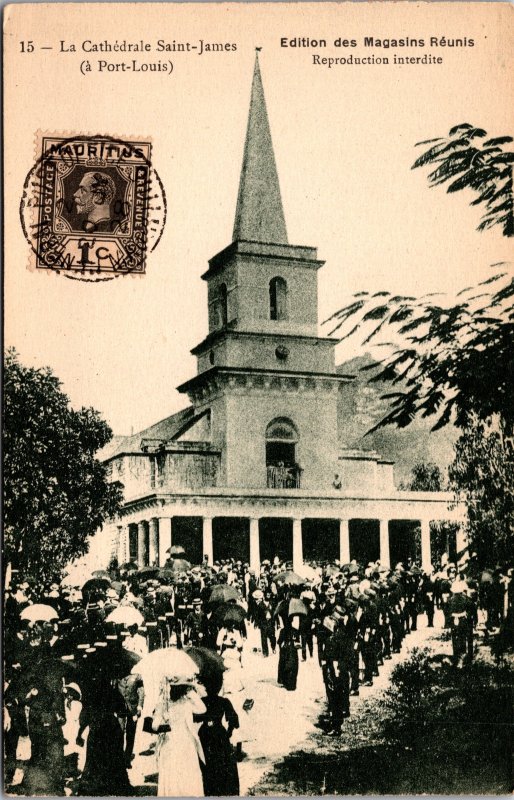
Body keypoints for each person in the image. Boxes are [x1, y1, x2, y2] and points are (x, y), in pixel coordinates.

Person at [152, 679, 206, 797]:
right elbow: (202, 708)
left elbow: (154, 726)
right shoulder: (185, 703)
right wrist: (191, 692)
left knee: (173, 772)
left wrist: (162, 720)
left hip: (173, 742)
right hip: (184, 742)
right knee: (185, 772)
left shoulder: (165, 705)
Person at [195, 675, 240, 796]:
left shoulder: (202, 702)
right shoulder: (224, 701)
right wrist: (228, 732)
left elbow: (194, 717)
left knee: (207, 765)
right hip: (220, 734)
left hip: (205, 734)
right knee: (222, 765)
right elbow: (234, 719)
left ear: (206, 688)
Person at [277, 623, 299, 691]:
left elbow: (279, 641)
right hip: (292, 652)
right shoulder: (295, 630)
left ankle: (285, 682)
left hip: (285, 651)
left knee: (285, 665)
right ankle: (291, 684)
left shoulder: (283, 631)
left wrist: (282, 643)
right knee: (293, 666)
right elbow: (298, 642)